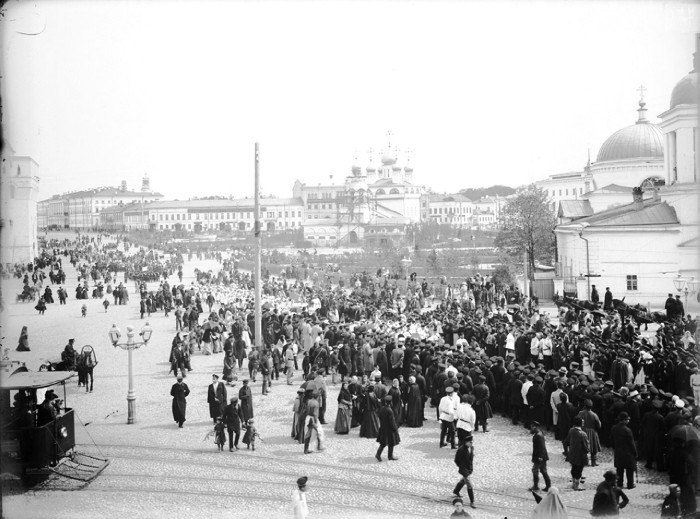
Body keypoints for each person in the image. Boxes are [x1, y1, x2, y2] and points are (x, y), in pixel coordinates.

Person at [610, 411, 637, 489]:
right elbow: (632, 443)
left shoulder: (614, 428)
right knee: (629, 469)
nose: (628, 421)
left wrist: (615, 447)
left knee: (619, 469)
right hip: (628, 453)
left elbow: (611, 440)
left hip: (618, 452)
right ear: (624, 420)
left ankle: (619, 483)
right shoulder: (628, 430)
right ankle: (630, 484)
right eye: (627, 419)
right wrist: (635, 453)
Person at [563, 416, 589, 491]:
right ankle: (576, 485)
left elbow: (566, 442)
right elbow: (586, 447)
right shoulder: (583, 434)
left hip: (572, 454)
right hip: (580, 455)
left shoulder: (571, 430)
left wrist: (566, 452)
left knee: (573, 468)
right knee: (579, 470)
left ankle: (573, 483)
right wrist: (587, 451)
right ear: (580, 423)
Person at [452, 432, 476, 509]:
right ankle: (472, 501)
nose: (471, 443)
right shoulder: (461, 450)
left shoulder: (471, 448)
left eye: (472, 442)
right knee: (469, 485)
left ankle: (456, 491)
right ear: (466, 442)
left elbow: (471, 457)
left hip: (469, 469)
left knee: (463, 480)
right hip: (464, 470)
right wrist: (461, 467)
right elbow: (456, 460)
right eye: (470, 442)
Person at [375, 395, 399, 461]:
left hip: (383, 428)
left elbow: (380, 418)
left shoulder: (382, 408)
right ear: (391, 402)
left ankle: (378, 454)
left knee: (383, 443)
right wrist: (395, 428)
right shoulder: (390, 410)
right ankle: (390, 456)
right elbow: (392, 421)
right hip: (389, 429)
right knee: (391, 443)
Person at [530, 421, 552, 492]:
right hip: (541, 456)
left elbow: (542, 447)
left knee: (535, 470)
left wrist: (540, 457)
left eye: (532, 427)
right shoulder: (539, 433)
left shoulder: (538, 435)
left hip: (539, 456)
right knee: (543, 470)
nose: (531, 429)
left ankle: (536, 486)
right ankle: (548, 486)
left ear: (535, 427)